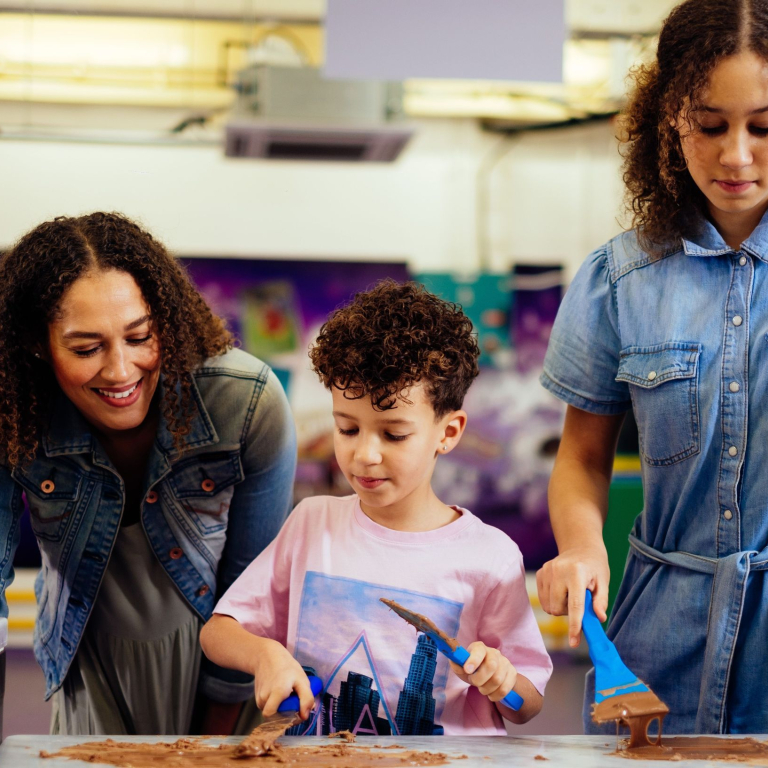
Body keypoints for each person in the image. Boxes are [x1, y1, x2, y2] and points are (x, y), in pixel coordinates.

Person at [536, 0, 768, 736]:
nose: (736, 155)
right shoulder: (618, 279)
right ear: (670, 117)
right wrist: (579, 548)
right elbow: (581, 456)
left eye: (764, 127)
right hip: (655, 640)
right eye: (710, 125)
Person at [200, 280, 552, 737]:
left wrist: (502, 680)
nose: (365, 454)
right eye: (348, 429)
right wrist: (265, 655)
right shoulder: (312, 523)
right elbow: (217, 634)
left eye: (393, 434)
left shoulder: (490, 556)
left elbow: (527, 704)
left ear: (448, 432)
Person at [0, 212, 297, 736]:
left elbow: (251, 587)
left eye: (140, 337)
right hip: (89, 664)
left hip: (226, 664)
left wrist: (208, 744)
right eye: (86, 349)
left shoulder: (244, 402)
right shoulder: (13, 410)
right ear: (36, 344)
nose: (119, 370)